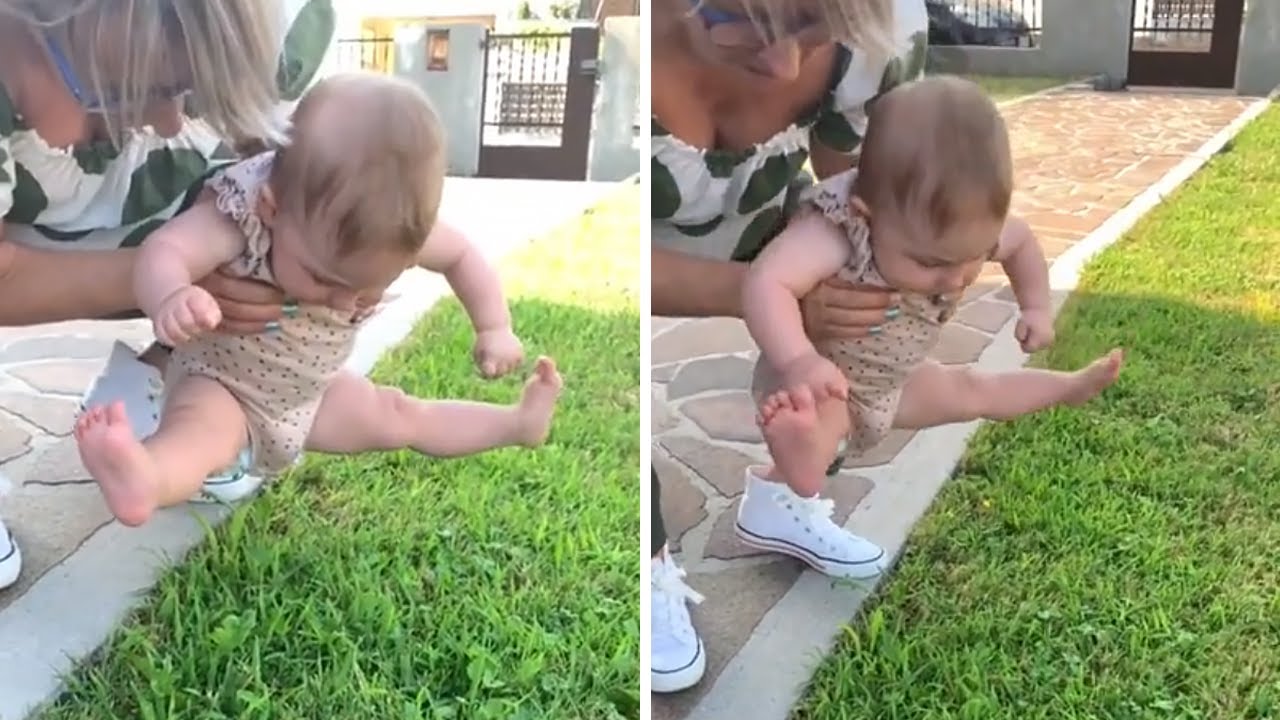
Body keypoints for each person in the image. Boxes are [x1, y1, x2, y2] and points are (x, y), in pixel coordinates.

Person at [0, 0, 463, 590]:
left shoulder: (282, 37)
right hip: (163, 311)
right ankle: (164, 436)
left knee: (389, 410)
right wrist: (173, 280)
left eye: (189, 92)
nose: (170, 122)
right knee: (202, 404)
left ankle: (155, 387)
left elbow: (307, 189)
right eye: (125, 89)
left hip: (242, 364)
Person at [74, 72, 562, 527]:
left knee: (400, 416)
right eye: (324, 279)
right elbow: (166, 250)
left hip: (312, 393)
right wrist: (171, 294)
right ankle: (145, 479)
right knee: (199, 436)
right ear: (273, 209)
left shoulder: (386, 227)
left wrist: (493, 326)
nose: (345, 304)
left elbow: (461, 255)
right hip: (225, 384)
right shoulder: (243, 210)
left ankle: (518, 424)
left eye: (370, 286)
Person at [650, 0, 927, 693]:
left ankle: (784, 496)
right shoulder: (616, 46)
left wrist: (836, 280)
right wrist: (768, 292)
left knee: (858, 302)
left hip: (765, 227)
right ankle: (645, 553)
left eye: (811, 24)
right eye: (737, 16)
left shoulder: (881, 30)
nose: (784, 64)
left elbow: (848, 200)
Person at [743, 75, 1124, 528]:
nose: (956, 279)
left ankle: (1068, 388)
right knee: (825, 421)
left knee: (974, 390)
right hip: (823, 384)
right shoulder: (839, 229)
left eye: (975, 257)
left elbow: (1020, 242)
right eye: (930, 263)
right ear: (868, 215)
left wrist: (1036, 307)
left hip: (895, 384)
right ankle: (801, 463)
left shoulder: (960, 226)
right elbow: (767, 281)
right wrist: (799, 361)